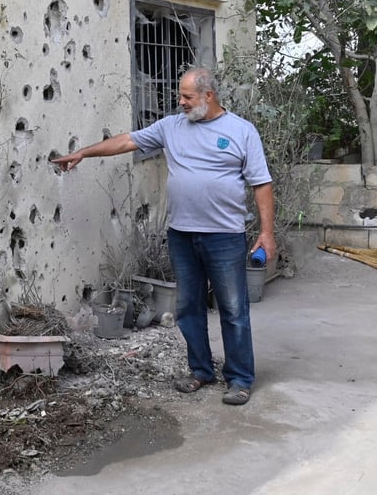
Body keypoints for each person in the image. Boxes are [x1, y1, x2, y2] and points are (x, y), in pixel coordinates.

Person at [51, 67, 275, 406]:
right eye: (180, 96)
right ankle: (201, 371)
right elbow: (127, 140)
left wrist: (267, 233)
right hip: (182, 235)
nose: (180, 102)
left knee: (232, 309)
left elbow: (262, 184)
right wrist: (84, 152)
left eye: (187, 97)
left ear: (208, 96)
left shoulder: (241, 131)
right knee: (188, 308)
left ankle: (240, 379)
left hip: (224, 236)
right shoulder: (171, 127)